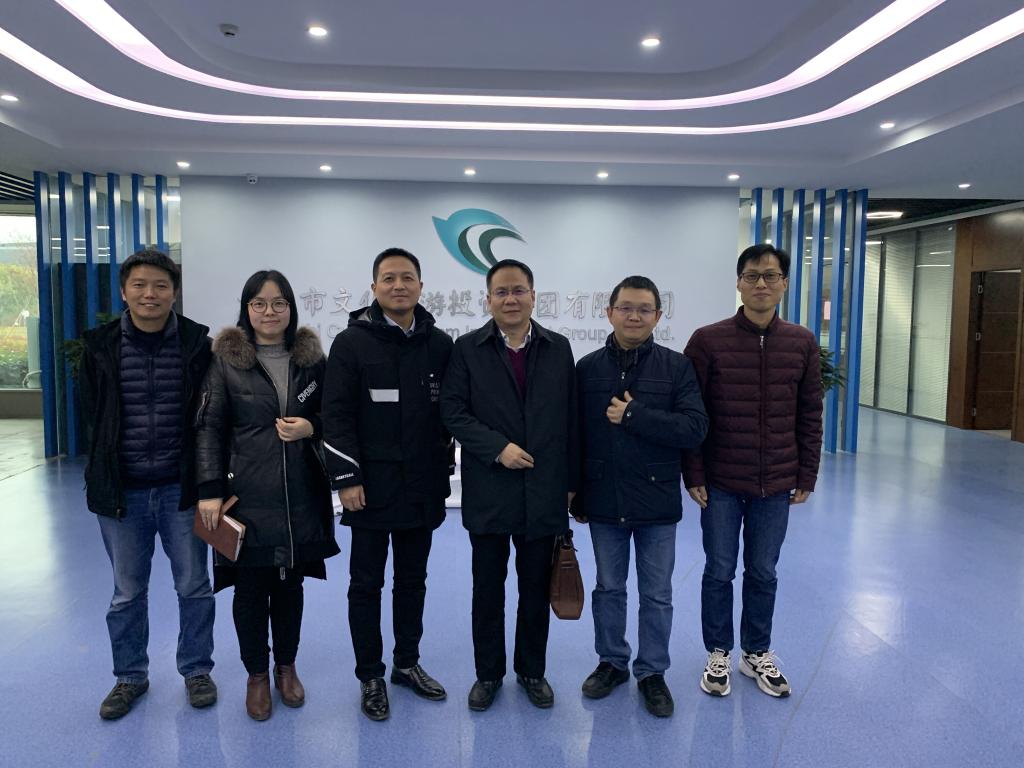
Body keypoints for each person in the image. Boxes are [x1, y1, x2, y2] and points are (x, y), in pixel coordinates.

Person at [194, 269, 339, 721]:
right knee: (250, 590)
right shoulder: (225, 361)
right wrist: (210, 490)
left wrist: (312, 427)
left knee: (290, 587)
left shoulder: (312, 361)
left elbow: (337, 416)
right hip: (246, 495)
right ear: (247, 309)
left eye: (279, 303)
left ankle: (286, 668)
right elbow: (209, 428)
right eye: (259, 303)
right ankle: (257, 675)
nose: (269, 311)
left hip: (300, 495)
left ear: (291, 308)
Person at [80, 249, 217, 720]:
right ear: (124, 292)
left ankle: (197, 670)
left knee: (194, 586)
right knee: (126, 592)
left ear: (174, 292)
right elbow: (92, 414)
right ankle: (130, 677)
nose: (150, 294)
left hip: (182, 490)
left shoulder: (197, 344)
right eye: (139, 285)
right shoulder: (100, 347)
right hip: (123, 492)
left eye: (160, 285)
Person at [683, 243, 822, 699]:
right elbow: (692, 413)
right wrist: (694, 473)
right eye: (752, 275)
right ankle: (718, 651)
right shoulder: (708, 340)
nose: (761, 283)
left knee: (763, 571)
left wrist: (807, 473)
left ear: (784, 283)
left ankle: (756, 651)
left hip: (775, 482)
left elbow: (810, 412)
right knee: (719, 570)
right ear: (739, 283)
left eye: (770, 275)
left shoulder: (801, 342)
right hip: (721, 481)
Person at [321, 247, 454, 722]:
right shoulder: (350, 343)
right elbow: (335, 416)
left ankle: (406, 663)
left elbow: (449, 416)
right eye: (389, 278)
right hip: (370, 489)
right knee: (366, 584)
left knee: (413, 581)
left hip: (422, 486)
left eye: (408, 277)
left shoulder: (440, 344)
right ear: (374, 286)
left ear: (421, 286)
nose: (399, 285)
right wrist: (347, 479)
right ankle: (370, 675)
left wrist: (443, 470)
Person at [441, 258, 579, 712]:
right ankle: (488, 674)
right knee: (488, 590)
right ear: (488, 299)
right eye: (501, 292)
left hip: (543, 491)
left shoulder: (558, 348)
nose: (510, 299)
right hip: (491, 490)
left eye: (518, 290)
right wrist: (497, 447)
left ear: (534, 296)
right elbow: (453, 411)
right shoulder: (467, 349)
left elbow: (571, 420)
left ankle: (532, 671)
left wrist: (571, 484)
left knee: (535, 589)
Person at [574, 275, 708, 717]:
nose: (634, 316)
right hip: (603, 497)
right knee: (608, 588)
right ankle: (612, 662)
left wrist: (634, 414)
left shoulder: (676, 367)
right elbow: (574, 435)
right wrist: (575, 492)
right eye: (626, 307)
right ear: (609, 312)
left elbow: (694, 428)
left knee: (657, 594)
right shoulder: (587, 368)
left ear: (658, 316)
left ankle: (652, 672)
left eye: (644, 309)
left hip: (656, 499)